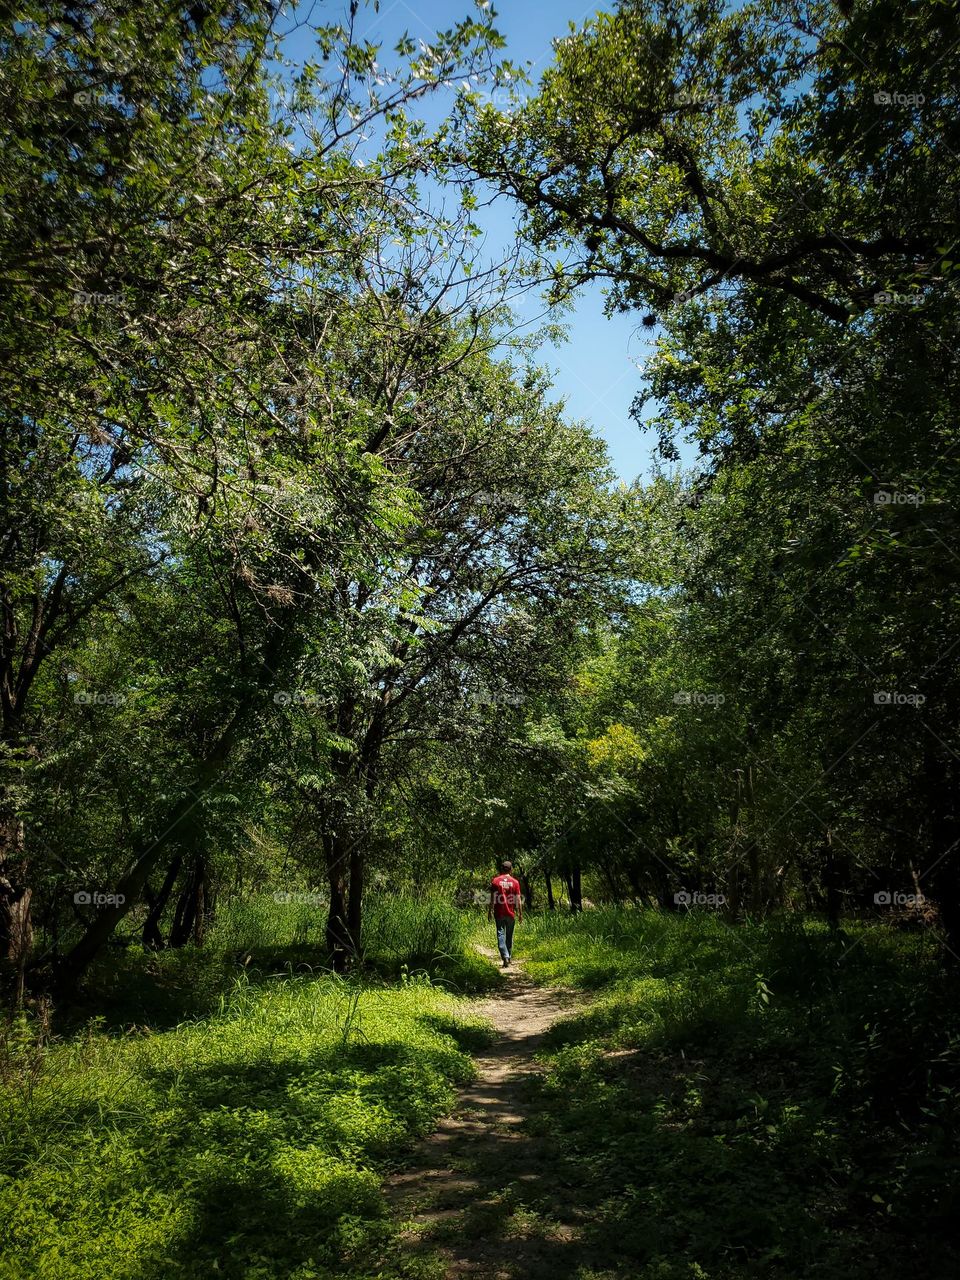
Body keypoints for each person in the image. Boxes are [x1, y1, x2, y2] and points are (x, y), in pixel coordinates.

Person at [488, 860, 522, 967]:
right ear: (511, 869)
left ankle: (505, 957)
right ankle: (508, 957)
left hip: (499, 913)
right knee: (509, 936)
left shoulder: (495, 881)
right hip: (511, 914)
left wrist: (490, 911)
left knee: (500, 935)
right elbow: (518, 900)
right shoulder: (515, 882)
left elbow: (492, 898)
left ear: (501, 869)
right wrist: (520, 913)